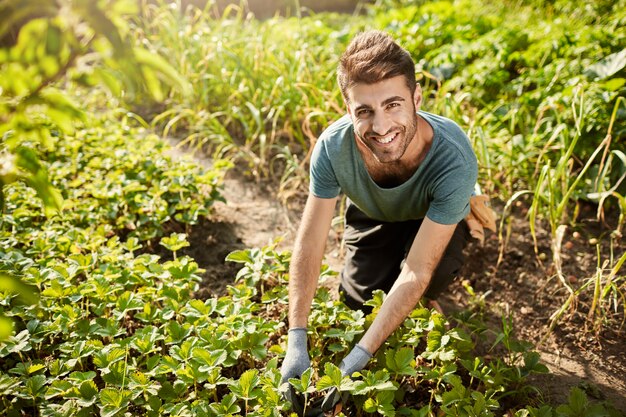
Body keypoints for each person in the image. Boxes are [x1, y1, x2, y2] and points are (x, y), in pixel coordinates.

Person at [280, 30, 479, 413]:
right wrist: (297, 339)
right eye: (365, 111)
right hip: (374, 212)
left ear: (416, 98)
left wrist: (359, 357)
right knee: (357, 302)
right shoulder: (333, 148)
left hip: (431, 213)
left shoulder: (454, 158)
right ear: (348, 109)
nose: (382, 126)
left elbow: (417, 270)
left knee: (428, 279)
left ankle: (457, 234)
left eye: (393, 104)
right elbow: (309, 243)